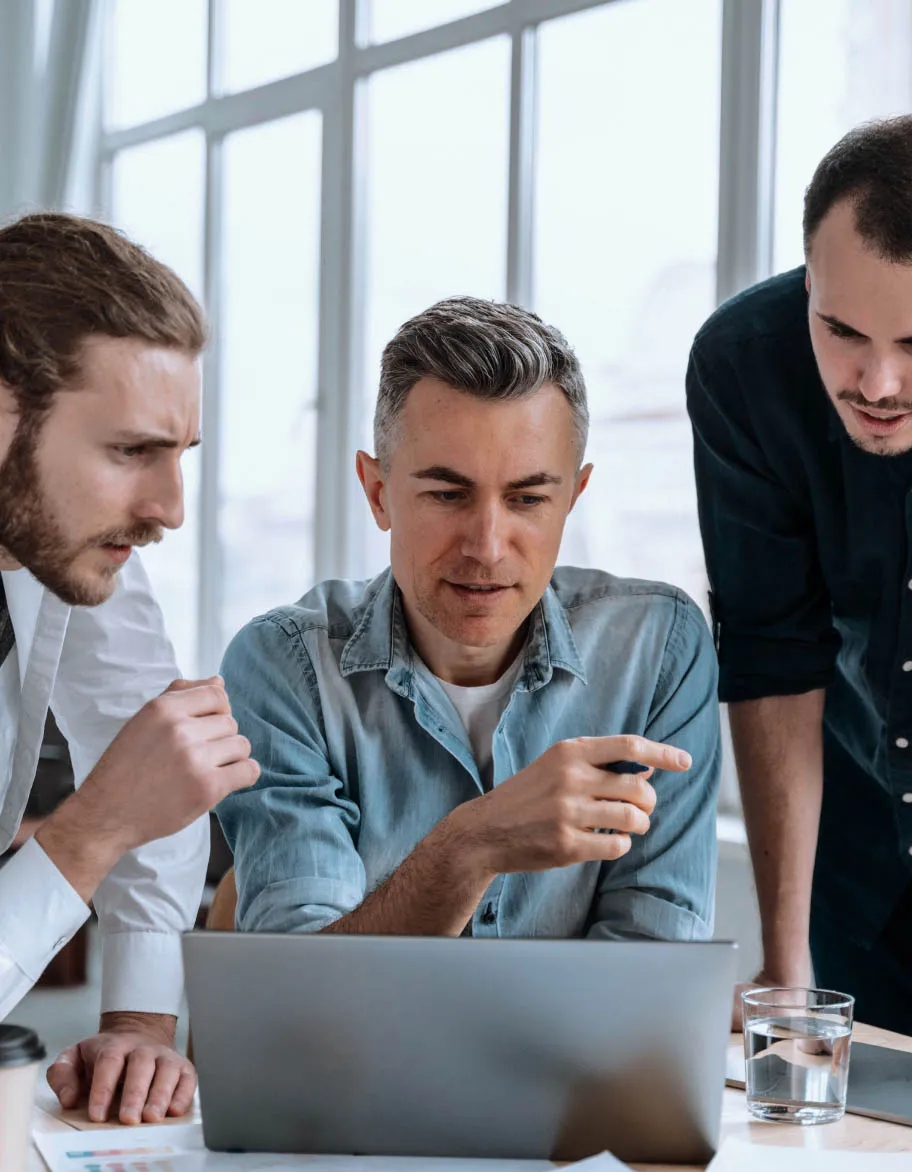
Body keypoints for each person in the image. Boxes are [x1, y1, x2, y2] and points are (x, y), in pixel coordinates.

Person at [218, 297, 719, 944]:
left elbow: (653, 973)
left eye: (529, 498)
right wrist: (471, 845)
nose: (486, 545)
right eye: (448, 495)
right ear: (378, 493)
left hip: (577, 1053)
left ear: (573, 498)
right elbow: (307, 1000)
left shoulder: (659, 650)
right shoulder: (285, 667)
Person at [0, 214, 258, 1121]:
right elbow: (126, 800)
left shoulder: (70, 543)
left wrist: (140, 1030)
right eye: (130, 452)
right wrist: (93, 827)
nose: (169, 508)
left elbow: (149, 752)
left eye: (178, 456)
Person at [687, 116, 912, 1034]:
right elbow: (773, 655)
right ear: (805, 277)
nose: (880, 382)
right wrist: (787, 968)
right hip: (858, 875)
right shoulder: (746, 367)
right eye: (842, 329)